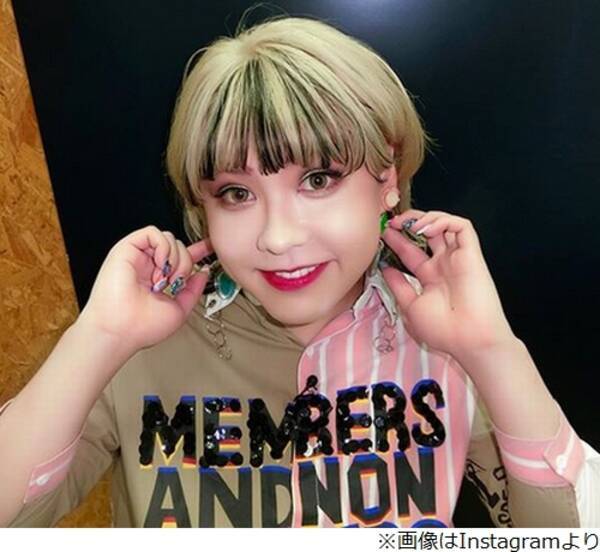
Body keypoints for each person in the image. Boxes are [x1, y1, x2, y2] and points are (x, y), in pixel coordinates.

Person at [0, 14, 598, 529]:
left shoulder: (447, 343)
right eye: (236, 193)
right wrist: (98, 340)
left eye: (317, 179)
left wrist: (492, 352)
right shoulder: (139, 346)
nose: (277, 237)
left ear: (387, 178)